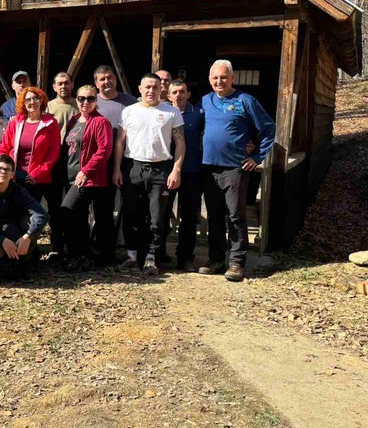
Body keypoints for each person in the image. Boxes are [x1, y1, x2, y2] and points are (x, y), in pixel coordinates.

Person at [200, 60, 275, 282]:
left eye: (223, 77)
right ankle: (216, 259)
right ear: (210, 80)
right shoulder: (205, 100)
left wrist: (257, 156)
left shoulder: (245, 100)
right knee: (213, 216)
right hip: (208, 167)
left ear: (233, 78)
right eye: (215, 77)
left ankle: (236, 263)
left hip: (235, 168)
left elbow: (268, 128)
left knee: (235, 216)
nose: (219, 81)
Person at [112, 73, 185, 276]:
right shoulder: (128, 112)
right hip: (133, 168)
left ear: (161, 88)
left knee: (156, 217)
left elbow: (180, 142)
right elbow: (120, 142)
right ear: (140, 88)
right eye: (147, 87)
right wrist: (117, 169)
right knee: (131, 213)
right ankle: (132, 257)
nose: (151, 91)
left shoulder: (171, 112)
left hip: (160, 169)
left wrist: (176, 170)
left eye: (155, 87)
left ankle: (152, 257)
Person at [0, 86, 63, 255]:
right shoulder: (16, 122)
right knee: (22, 216)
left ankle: (57, 248)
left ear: (42, 101)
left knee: (49, 214)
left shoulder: (50, 123)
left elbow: (54, 152)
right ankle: (28, 252)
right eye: (27, 100)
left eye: (35, 98)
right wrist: (7, 171)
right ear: (22, 103)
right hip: (18, 177)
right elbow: (4, 148)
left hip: (42, 177)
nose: (32, 102)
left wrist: (38, 173)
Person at [0, 154, 49, 282]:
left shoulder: (18, 190)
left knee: (30, 223)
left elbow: (42, 214)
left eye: (7, 169)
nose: (3, 172)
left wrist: (27, 236)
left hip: (13, 230)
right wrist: (1, 240)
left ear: (13, 174)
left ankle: (22, 261)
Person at [60, 85, 114, 271]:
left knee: (68, 210)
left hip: (90, 178)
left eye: (90, 99)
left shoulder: (101, 122)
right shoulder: (74, 120)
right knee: (79, 217)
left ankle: (78, 254)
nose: (85, 102)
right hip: (72, 176)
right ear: (76, 99)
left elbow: (104, 150)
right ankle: (82, 254)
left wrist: (86, 171)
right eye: (81, 98)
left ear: (96, 101)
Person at [158, 79, 204, 272]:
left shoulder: (200, 114)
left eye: (182, 91)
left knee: (189, 217)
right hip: (166, 171)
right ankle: (158, 254)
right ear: (168, 96)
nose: (178, 95)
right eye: (174, 92)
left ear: (188, 94)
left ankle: (185, 258)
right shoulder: (163, 113)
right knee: (161, 215)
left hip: (192, 171)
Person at [92, 65, 138, 259]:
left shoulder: (130, 103)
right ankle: (106, 251)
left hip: (128, 161)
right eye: (101, 79)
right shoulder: (92, 103)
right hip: (102, 162)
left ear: (116, 79)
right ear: (96, 83)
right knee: (104, 208)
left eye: (109, 77)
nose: (106, 81)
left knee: (130, 206)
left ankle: (132, 251)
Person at [47, 72, 79, 140]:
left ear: (72, 85)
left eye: (66, 83)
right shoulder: (47, 107)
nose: (63, 86)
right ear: (54, 87)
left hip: (76, 148)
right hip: (55, 148)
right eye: (60, 84)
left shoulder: (81, 105)